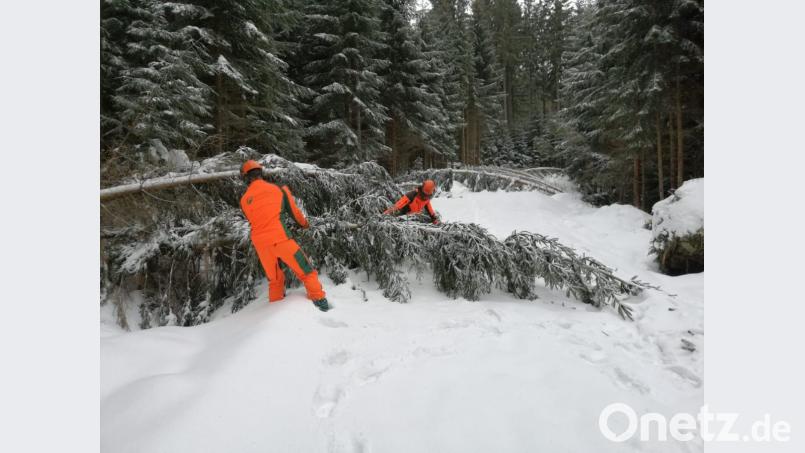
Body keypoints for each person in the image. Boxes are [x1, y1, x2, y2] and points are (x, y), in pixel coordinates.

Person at [239, 160, 330, 312]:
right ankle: (321, 303)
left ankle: (276, 312)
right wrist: (305, 225)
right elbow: (295, 213)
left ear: (246, 177)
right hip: (281, 239)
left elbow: (254, 220)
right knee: (306, 271)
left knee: (274, 280)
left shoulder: (244, 200)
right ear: (261, 173)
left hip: (261, 246)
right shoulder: (278, 190)